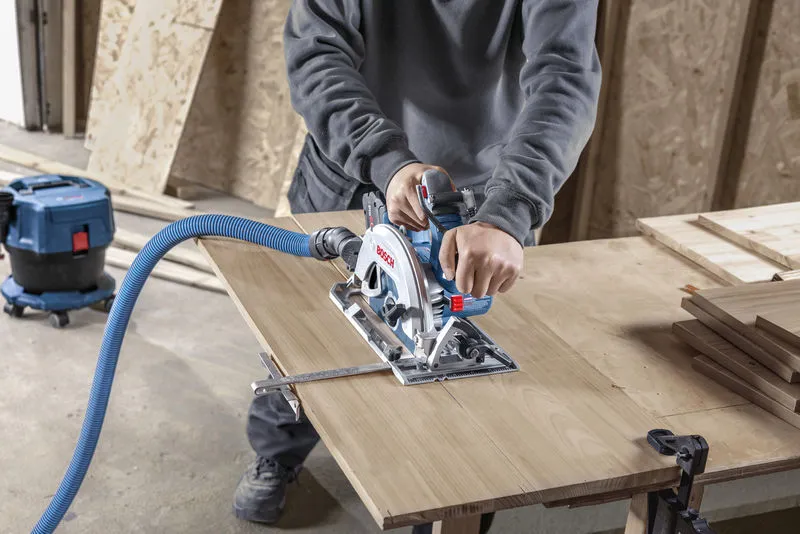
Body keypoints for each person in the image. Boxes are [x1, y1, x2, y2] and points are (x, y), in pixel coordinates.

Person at [233, 1, 601, 531]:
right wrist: (388, 162)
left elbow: (565, 75)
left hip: (487, 196)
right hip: (354, 167)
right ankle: (278, 451)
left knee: (467, 367)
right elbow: (317, 54)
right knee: (305, 332)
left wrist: (511, 209)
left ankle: (452, 501)